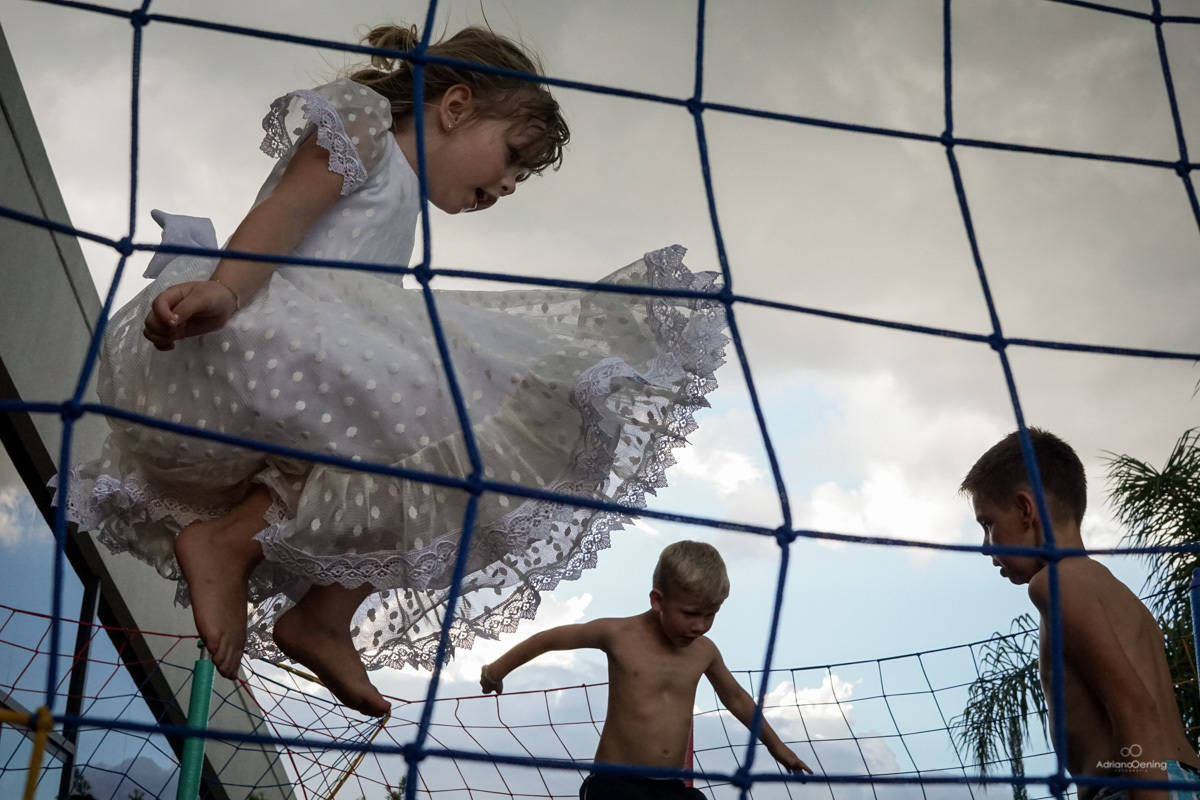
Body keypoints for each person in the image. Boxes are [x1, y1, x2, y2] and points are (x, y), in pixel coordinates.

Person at [54, 23, 729, 717]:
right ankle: (239, 553)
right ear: (456, 106)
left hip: (309, 364)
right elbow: (285, 210)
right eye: (511, 157)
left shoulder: (403, 220)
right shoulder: (364, 126)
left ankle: (300, 598)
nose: (507, 183)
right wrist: (226, 289)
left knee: (436, 464)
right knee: (474, 402)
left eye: (520, 178)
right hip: (253, 320)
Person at [961, 428, 1200, 800]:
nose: (984, 546)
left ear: (1026, 510)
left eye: (988, 524)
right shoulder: (1118, 593)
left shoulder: (1054, 583)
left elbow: (1135, 707)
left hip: (1139, 784)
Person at [479, 540, 811, 797]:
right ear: (658, 600)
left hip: (671, 788)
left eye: (710, 615)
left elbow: (737, 698)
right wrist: (496, 670)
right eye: (691, 613)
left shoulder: (705, 652)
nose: (699, 626)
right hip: (616, 783)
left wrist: (775, 745)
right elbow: (550, 640)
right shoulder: (618, 635)